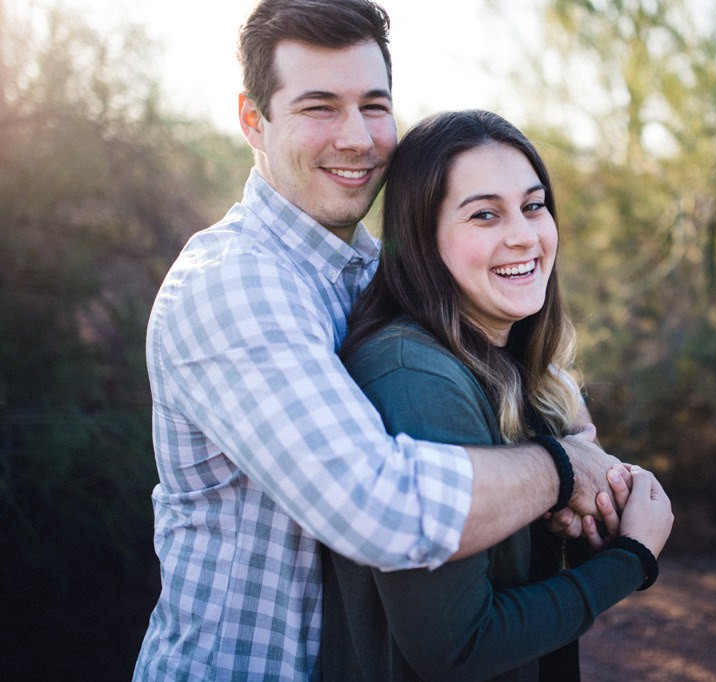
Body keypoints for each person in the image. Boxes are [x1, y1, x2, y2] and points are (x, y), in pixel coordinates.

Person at [133, 1, 627, 679]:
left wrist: (571, 434)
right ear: (254, 120)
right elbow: (386, 512)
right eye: (318, 107)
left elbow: (503, 363)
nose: (357, 138)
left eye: (373, 105)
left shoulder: (370, 270)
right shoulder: (235, 288)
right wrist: (565, 470)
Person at [319, 110, 674, 681]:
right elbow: (458, 649)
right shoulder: (415, 376)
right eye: (485, 214)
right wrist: (630, 560)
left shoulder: (507, 360)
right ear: (421, 237)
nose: (523, 235)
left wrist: (593, 516)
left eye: (533, 206)